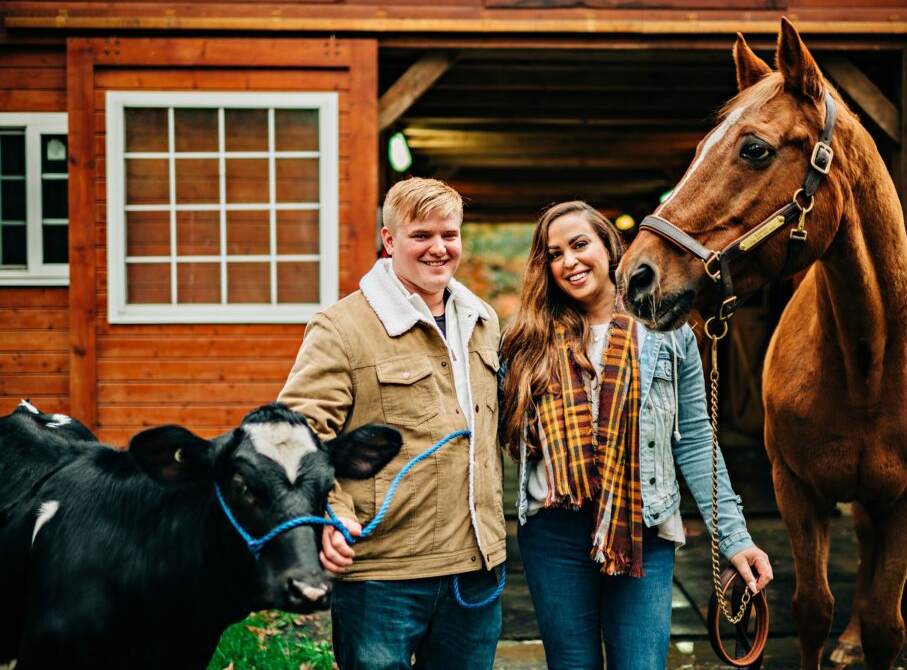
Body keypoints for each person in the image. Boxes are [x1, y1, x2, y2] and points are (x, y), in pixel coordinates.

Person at [500, 200, 773, 670]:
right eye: (554, 253)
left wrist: (735, 538)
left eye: (580, 244)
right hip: (553, 530)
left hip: (643, 526)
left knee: (640, 663)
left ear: (609, 247)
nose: (569, 261)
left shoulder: (667, 333)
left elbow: (696, 442)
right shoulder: (526, 339)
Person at [278, 177, 505, 670]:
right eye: (421, 235)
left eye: (450, 234)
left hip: (476, 568)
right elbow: (296, 436)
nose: (438, 248)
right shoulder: (343, 327)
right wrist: (332, 512)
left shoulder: (482, 320)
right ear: (389, 240)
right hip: (383, 573)